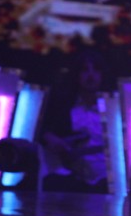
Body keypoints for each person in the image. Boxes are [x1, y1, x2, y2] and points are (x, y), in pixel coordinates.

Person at [40, 49, 112, 193]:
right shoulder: (64, 106)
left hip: (107, 178)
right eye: (85, 70)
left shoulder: (111, 108)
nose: (91, 75)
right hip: (71, 177)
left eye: (96, 70)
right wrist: (52, 139)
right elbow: (45, 131)